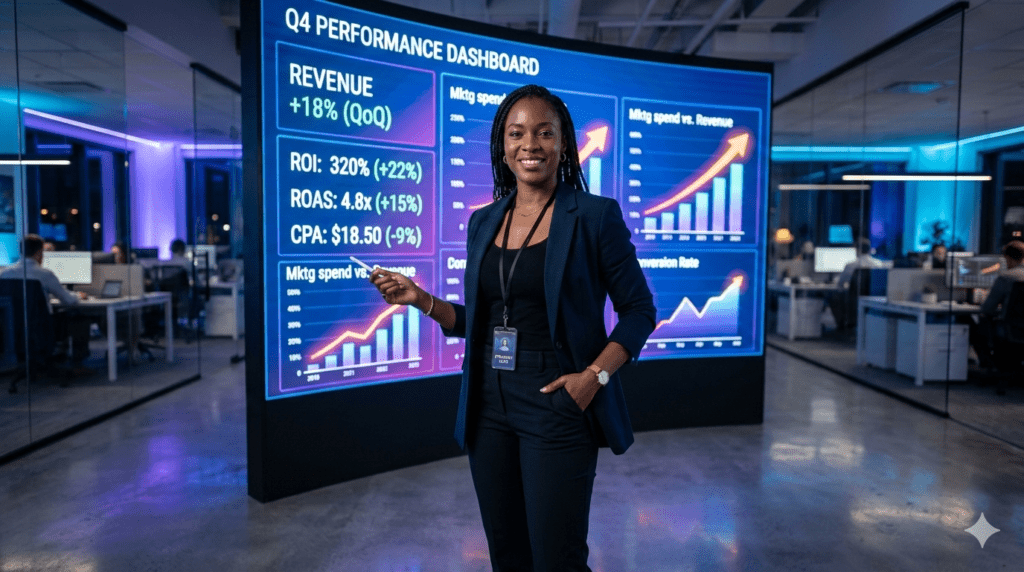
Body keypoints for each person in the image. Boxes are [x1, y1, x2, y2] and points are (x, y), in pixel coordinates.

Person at [370, 84, 655, 571]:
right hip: (488, 404)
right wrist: (421, 300)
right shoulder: (483, 221)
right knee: (507, 557)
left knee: (557, 560)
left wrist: (594, 378)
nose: (530, 145)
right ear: (502, 146)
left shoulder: (593, 216)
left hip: (556, 400)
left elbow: (639, 310)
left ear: (563, 144)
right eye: (517, 133)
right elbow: (483, 322)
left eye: (544, 133)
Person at [0, 234, 92, 372]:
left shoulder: (4, 274)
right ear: (39, 252)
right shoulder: (44, 274)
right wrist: (79, 295)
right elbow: (69, 300)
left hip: (12, 327)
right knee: (80, 319)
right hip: (41, 328)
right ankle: (78, 365)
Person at [971, 241, 1024, 372]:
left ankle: (991, 365)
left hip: (1011, 330)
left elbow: (987, 308)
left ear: (1007, 258)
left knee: (974, 325)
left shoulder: (1006, 277)